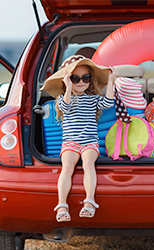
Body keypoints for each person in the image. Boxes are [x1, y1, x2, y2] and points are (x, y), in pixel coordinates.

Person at [41, 55, 116, 222]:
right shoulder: (63, 99)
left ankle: (89, 201)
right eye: (75, 78)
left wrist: (111, 81)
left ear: (91, 79)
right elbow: (66, 107)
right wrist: (68, 88)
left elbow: (108, 103)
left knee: (89, 164)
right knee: (67, 168)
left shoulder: (93, 99)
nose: (81, 82)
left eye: (86, 78)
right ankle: (61, 205)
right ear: (67, 80)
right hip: (71, 143)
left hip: (89, 142)